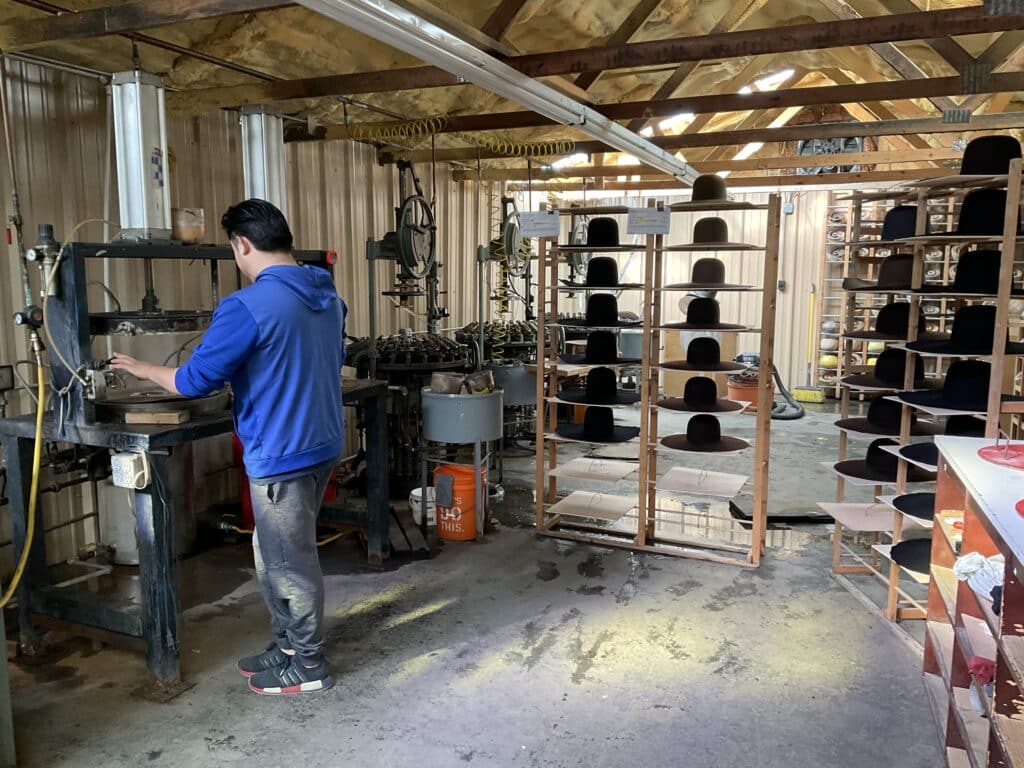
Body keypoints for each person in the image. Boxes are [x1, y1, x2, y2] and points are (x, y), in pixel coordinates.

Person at [112, 199, 346, 696]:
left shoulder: (247, 306)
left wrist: (142, 369)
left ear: (241, 245)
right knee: (275, 551)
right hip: (321, 440)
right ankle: (287, 647)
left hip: (282, 450)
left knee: (289, 562)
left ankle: (308, 665)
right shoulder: (325, 292)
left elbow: (196, 380)